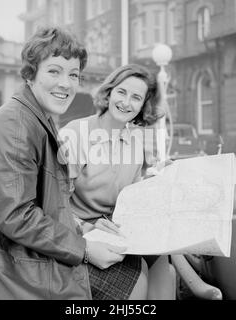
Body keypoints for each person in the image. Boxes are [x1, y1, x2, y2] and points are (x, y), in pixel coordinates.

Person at [0, 27, 125, 300]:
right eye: (54, 71)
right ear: (30, 74)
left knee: (138, 266)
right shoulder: (16, 126)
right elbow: (16, 216)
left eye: (74, 75)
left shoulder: (35, 118)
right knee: (131, 275)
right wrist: (84, 249)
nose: (66, 84)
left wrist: (82, 226)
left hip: (15, 253)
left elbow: (41, 202)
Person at [58, 64, 176, 300]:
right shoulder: (76, 134)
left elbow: (129, 197)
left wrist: (157, 181)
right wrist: (87, 227)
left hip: (113, 227)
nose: (126, 102)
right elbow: (52, 203)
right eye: (121, 92)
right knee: (138, 278)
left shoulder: (135, 142)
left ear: (143, 105)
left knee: (165, 267)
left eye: (136, 97)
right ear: (109, 93)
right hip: (75, 232)